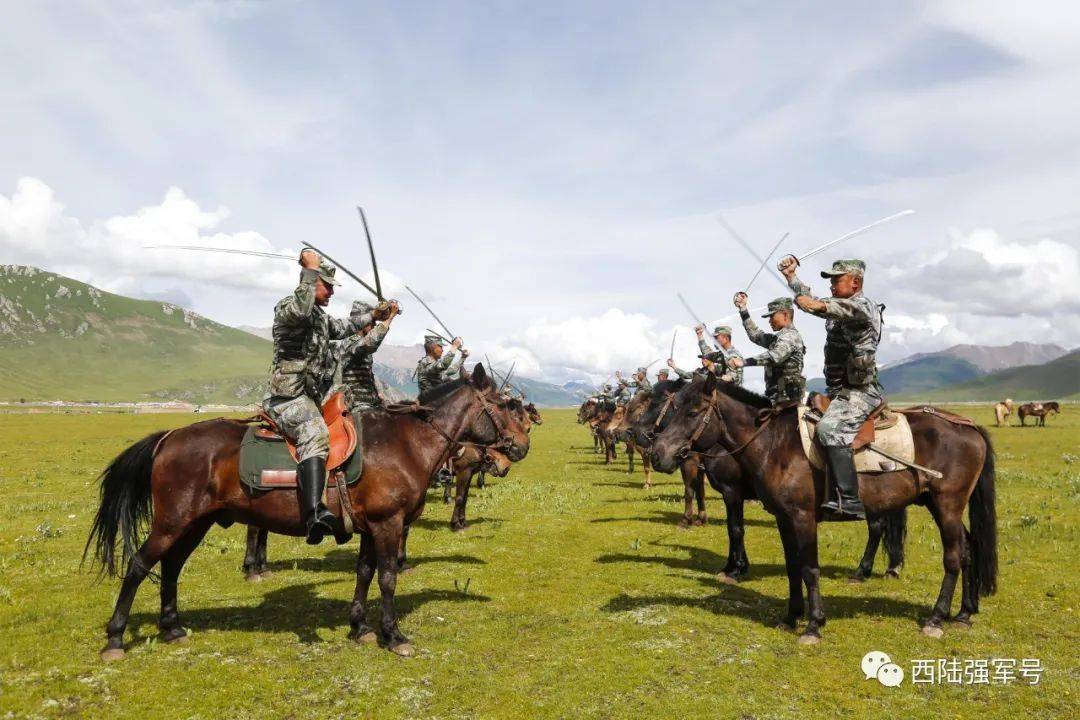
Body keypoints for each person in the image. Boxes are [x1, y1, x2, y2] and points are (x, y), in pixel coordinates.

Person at [263, 250, 361, 545]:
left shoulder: (320, 318)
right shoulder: (290, 308)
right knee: (315, 433)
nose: (331, 291)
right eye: (327, 285)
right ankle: (314, 514)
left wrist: (378, 316)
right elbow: (301, 309)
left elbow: (344, 328)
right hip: (288, 398)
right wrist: (309, 270)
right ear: (312, 281)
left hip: (310, 398)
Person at [779, 256, 884, 520]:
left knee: (829, 430)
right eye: (832, 280)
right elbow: (812, 299)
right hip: (839, 391)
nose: (833, 285)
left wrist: (808, 305)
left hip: (860, 393)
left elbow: (817, 305)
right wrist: (792, 277)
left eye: (837, 280)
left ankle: (849, 500)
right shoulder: (842, 305)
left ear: (856, 282)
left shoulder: (862, 307)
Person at [729, 294, 806, 404]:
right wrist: (743, 310)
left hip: (787, 404)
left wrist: (744, 362)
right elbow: (755, 335)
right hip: (774, 400)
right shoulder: (778, 338)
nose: (769, 321)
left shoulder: (791, 336)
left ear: (785, 314)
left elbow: (774, 356)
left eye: (772, 316)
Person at [336, 299, 400, 411]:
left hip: (369, 405)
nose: (374, 325)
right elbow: (370, 342)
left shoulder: (361, 342)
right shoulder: (349, 342)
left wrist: (377, 395)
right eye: (372, 321)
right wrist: (390, 318)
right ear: (362, 321)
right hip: (354, 406)